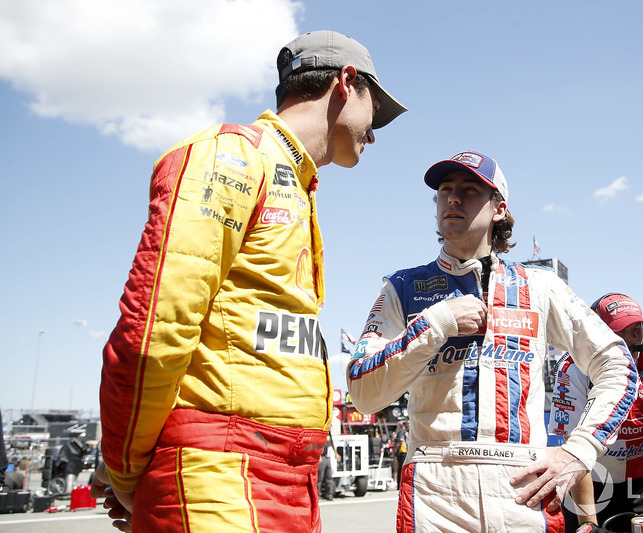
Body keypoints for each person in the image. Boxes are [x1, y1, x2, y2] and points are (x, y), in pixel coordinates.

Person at [90, 30, 406, 533]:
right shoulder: (232, 157)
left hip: (288, 478)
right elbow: (154, 330)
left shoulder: (295, 182)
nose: (375, 132)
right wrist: (127, 470)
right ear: (346, 83)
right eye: (376, 110)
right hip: (221, 472)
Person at [346, 151, 638, 533]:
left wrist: (579, 450)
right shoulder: (402, 287)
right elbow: (363, 392)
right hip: (436, 489)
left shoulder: (541, 286)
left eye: (469, 190)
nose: (453, 198)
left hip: (522, 486)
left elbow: (618, 365)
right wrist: (437, 322)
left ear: (499, 209)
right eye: (445, 190)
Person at [549, 296, 643, 533]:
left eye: (638, 330)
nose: (633, 340)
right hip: (590, 481)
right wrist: (588, 522)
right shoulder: (572, 368)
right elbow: (572, 447)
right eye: (621, 332)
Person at [317, 432, 339, 501]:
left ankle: (329, 495)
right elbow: (316, 444)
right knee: (319, 478)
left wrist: (336, 453)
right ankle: (317, 495)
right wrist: (318, 455)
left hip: (327, 457)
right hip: (322, 457)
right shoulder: (320, 433)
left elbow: (331, 443)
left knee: (329, 476)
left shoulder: (328, 433)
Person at [393, 421, 408, 486]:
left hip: (402, 452)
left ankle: (399, 483)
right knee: (401, 468)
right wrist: (396, 449)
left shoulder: (401, 432)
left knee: (399, 468)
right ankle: (400, 483)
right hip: (402, 452)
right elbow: (400, 441)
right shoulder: (402, 432)